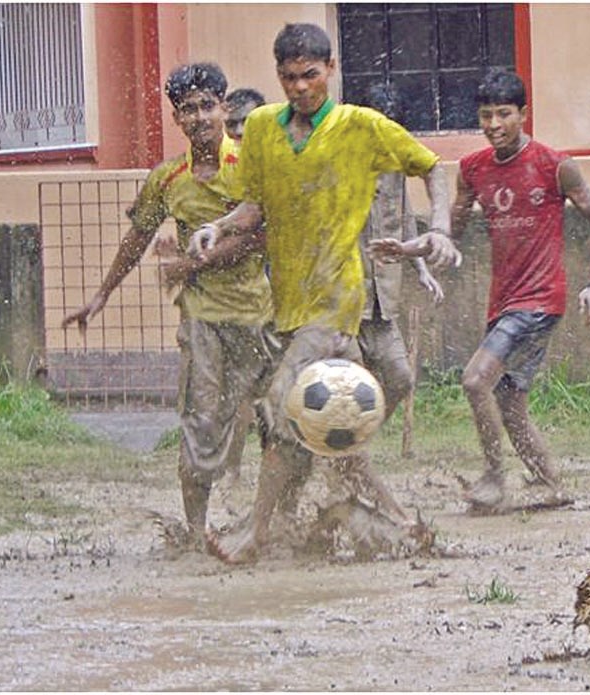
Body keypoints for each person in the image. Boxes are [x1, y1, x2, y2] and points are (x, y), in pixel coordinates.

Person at [188, 23, 460, 564]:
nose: (300, 88)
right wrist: (218, 227)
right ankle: (396, 524)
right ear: (279, 75)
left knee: (281, 406)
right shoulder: (261, 127)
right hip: (291, 306)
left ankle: (255, 532)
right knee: (330, 427)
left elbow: (432, 168)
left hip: (339, 301)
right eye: (289, 77)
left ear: (330, 70)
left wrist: (440, 230)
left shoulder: (361, 126)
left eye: (310, 75)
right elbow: (254, 207)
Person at [371, 69, 590, 513]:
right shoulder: (473, 169)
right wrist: (408, 249)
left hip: (540, 300)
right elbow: (449, 233)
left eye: (504, 114)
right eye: (486, 116)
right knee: (509, 400)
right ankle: (550, 484)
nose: (494, 124)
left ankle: (495, 478)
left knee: (475, 379)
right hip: (504, 302)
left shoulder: (554, 165)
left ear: (523, 114)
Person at [62, 63, 276, 548]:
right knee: (200, 423)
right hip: (202, 321)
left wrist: (193, 261)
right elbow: (137, 238)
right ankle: (197, 534)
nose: (199, 117)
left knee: (276, 420)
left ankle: (272, 523)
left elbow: (265, 233)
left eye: (207, 106)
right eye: (188, 110)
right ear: (176, 119)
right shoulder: (168, 178)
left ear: (223, 107)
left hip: (259, 315)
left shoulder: (251, 164)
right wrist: (101, 295)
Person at [358, 83, 444, 424]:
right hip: (346, 306)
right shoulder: (342, 167)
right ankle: (340, 445)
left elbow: (405, 221)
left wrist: (422, 270)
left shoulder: (395, 171)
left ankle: (357, 438)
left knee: (400, 379)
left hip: (382, 306)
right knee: (347, 385)